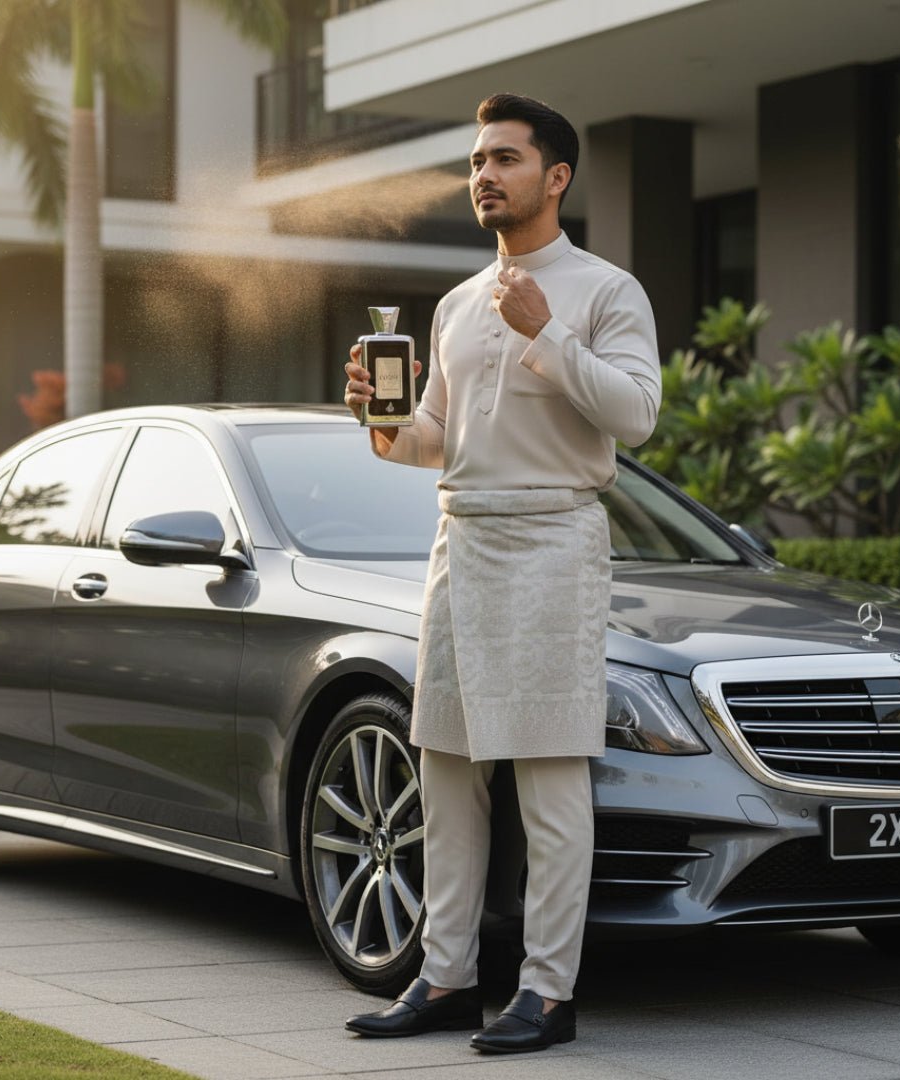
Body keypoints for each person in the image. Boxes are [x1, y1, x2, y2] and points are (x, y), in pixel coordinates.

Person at [342, 93, 661, 1054]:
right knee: (443, 768)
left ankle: (549, 994)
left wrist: (546, 330)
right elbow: (436, 442)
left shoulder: (607, 290)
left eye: (505, 159)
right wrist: (381, 419)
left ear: (554, 177)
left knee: (550, 777)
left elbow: (636, 417)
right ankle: (445, 979)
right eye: (477, 161)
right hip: (460, 541)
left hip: (555, 543)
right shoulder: (450, 305)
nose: (484, 175)